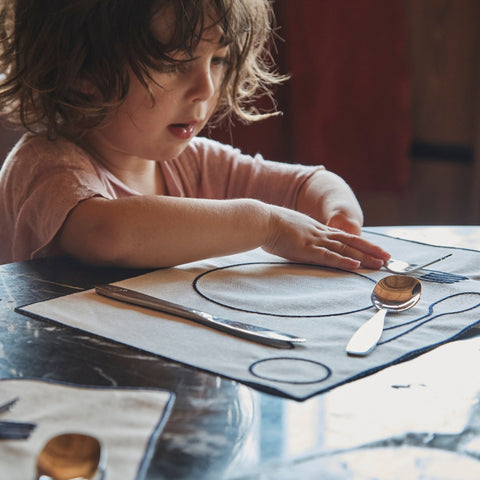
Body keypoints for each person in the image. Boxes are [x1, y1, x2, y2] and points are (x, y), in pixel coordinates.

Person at [0, 0, 390, 269]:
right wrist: (264, 223)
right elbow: (107, 233)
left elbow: (308, 183)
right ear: (82, 70)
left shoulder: (193, 161)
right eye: (176, 63)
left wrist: (339, 219)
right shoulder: (45, 164)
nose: (206, 88)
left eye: (217, 60)